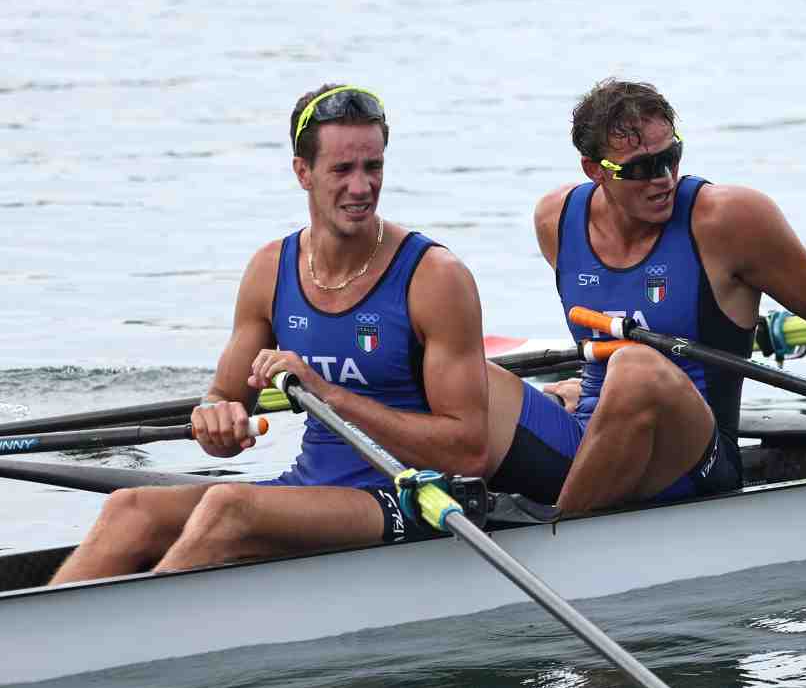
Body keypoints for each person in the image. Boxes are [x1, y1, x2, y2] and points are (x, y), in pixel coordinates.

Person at [52, 84, 497, 583]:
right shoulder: (270, 270)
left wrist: (328, 394)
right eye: (342, 170)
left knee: (228, 507)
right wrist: (217, 419)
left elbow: (469, 449)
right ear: (302, 172)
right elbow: (226, 398)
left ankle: (137, 624)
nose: (361, 187)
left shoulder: (434, 277)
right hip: (313, 486)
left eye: (372, 167)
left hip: (408, 496)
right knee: (130, 507)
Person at [494, 78, 806, 514]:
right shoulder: (557, 219)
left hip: (693, 460)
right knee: (468, 379)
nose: (663, 179)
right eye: (641, 168)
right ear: (595, 170)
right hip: (590, 437)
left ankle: (562, 532)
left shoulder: (727, 220)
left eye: (671, 157)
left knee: (635, 366)